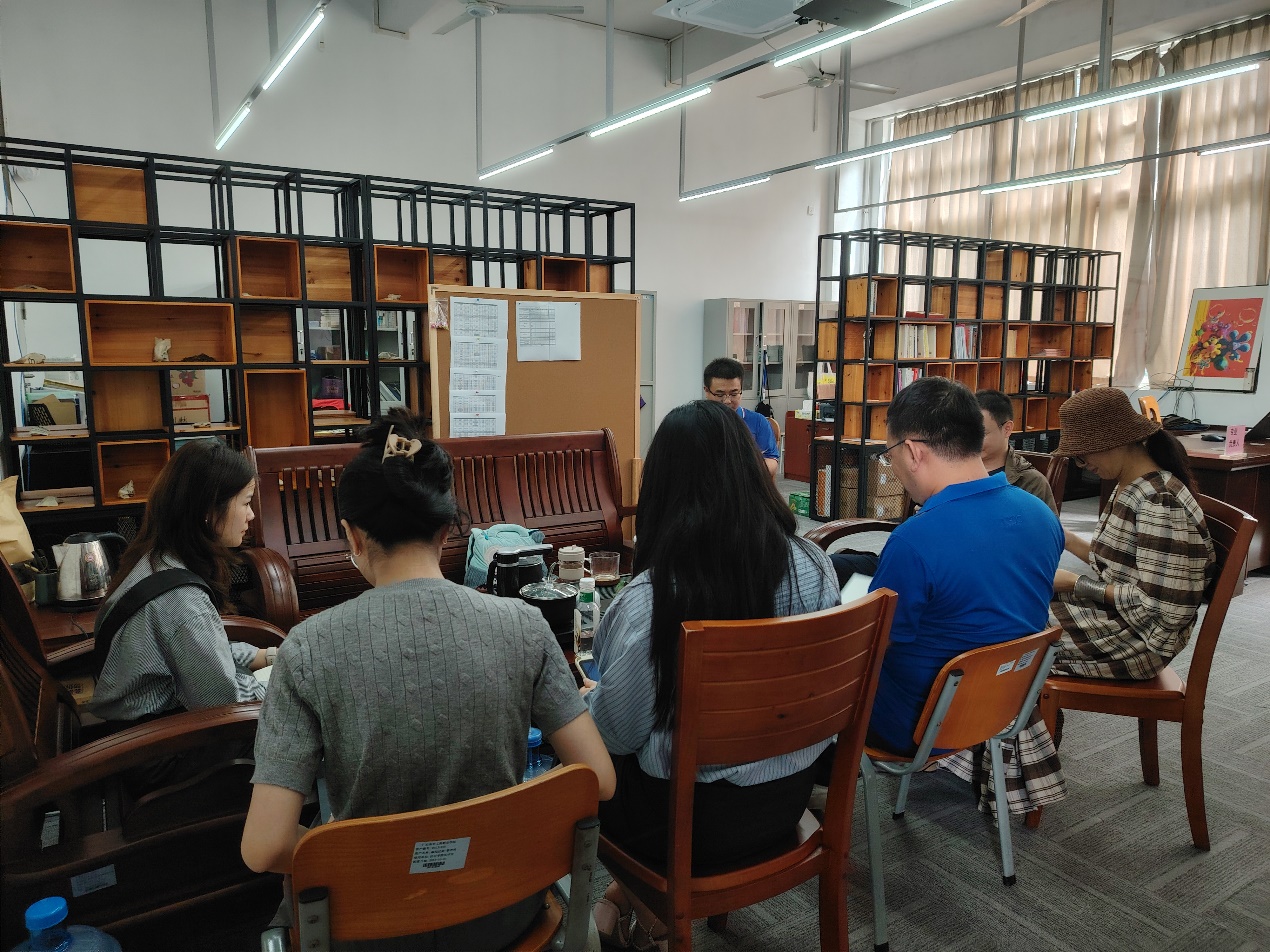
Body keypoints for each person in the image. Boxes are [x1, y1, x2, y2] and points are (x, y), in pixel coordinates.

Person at [241, 411, 615, 949]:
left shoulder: (307, 649)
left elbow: (265, 845)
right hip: (504, 914)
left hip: (373, 929)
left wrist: (356, 856)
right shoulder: (524, 625)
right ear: (445, 531)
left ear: (352, 535)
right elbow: (598, 779)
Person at [581, 399, 839, 949]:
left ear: (662, 489)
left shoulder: (656, 598)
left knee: (574, 758)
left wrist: (586, 700)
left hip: (686, 828)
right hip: (785, 800)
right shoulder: (814, 565)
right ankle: (631, 903)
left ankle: (640, 911)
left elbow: (614, 736)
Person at [863, 377, 1064, 755]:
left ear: (913, 451)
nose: (894, 466)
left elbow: (872, 646)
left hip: (916, 725)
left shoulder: (915, 540)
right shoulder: (1040, 514)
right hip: (1002, 709)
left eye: (889, 454)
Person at [89, 439, 271, 727]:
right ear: (208, 511)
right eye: (246, 502)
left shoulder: (157, 558)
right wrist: (290, 686)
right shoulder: (183, 602)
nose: (251, 515)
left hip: (156, 727)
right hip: (166, 743)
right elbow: (224, 704)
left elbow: (200, 656)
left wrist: (267, 656)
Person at [1049, 387, 1214, 680]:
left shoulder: (1158, 501)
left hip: (1140, 642)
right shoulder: (1132, 484)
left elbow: (1165, 611)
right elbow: (1120, 567)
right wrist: (1068, 539)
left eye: (1082, 456)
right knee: (1013, 605)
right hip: (1124, 622)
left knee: (1007, 630)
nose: (1082, 465)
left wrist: (1078, 583)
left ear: (1116, 442)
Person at [976, 389, 1059, 514]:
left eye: (981, 434)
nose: (971, 441)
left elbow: (1045, 526)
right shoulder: (954, 469)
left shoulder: (1030, 483)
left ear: (1007, 429)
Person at [703, 357, 780, 476]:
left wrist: (742, 472)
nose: (727, 401)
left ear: (741, 391)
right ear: (707, 391)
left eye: (734, 394)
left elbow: (771, 460)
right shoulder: (697, 422)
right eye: (720, 395)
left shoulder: (757, 421)